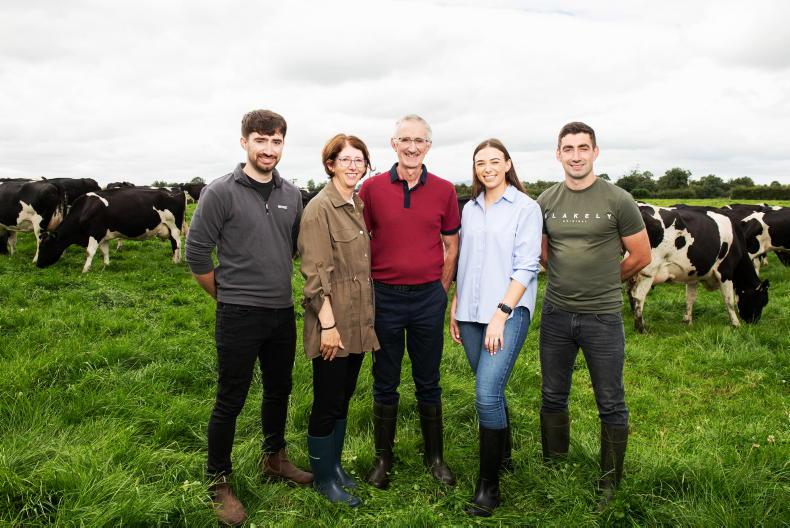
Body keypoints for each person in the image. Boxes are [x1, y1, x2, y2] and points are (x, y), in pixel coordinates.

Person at [186, 109, 312, 526]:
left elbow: (292, 249)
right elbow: (197, 254)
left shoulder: (292, 194)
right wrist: (227, 296)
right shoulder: (220, 192)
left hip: (281, 311)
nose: (269, 149)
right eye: (261, 140)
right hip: (238, 313)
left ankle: (274, 457)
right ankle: (218, 479)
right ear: (244, 142)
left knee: (279, 389)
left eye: (276, 141)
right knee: (231, 396)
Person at [536, 122, 651, 508]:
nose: (576, 156)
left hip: (602, 317)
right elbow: (543, 253)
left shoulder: (618, 200)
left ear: (595, 152)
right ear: (558, 155)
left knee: (610, 400)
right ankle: (554, 466)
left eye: (583, 148)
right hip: (555, 314)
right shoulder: (547, 200)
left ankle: (610, 482)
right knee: (553, 393)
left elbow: (641, 255)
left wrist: (606, 279)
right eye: (568, 149)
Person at [358, 114, 461, 489]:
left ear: (429, 146)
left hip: (426, 299)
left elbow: (451, 245)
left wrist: (441, 290)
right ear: (394, 144)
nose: (412, 146)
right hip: (384, 296)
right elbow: (360, 238)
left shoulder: (445, 190)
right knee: (384, 381)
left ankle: (435, 457)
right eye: (405, 140)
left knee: (428, 381)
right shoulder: (371, 189)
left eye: (420, 140)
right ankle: (383, 459)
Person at [449, 138, 542, 517]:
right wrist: (455, 306)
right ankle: (503, 455)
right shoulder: (468, 209)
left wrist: (501, 314)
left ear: (507, 164)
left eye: (493, 161)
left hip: (507, 312)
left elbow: (527, 265)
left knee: (486, 394)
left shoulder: (525, 207)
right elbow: (462, 259)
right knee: (492, 388)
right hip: (470, 313)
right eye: (479, 162)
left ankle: (489, 488)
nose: (486, 168)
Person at [297, 134, 379, 507]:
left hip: (357, 319)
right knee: (327, 401)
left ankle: (336, 467)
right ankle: (324, 479)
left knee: (343, 397)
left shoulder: (355, 203)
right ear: (330, 164)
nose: (353, 165)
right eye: (345, 159)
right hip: (332, 322)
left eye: (358, 160)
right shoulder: (319, 209)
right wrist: (328, 326)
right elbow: (315, 276)